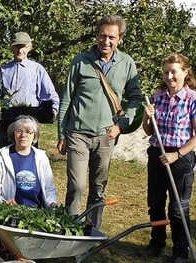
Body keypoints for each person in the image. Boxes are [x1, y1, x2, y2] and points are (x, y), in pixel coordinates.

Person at [57, 15, 142, 229]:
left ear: (119, 39)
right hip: (77, 132)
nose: (106, 41)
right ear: (96, 36)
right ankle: (71, 230)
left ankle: (91, 231)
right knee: (76, 185)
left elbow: (135, 99)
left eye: (112, 37)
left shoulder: (127, 64)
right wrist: (61, 133)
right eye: (102, 36)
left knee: (98, 187)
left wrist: (121, 125)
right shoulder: (80, 61)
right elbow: (67, 97)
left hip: (106, 135)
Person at [139, 53, 196, 263]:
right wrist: (146, 116)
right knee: (156, 203)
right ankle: (157, 243)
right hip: (157, 152)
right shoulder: (157, 97)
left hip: (181, 157)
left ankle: (180, 252)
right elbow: (149, 130)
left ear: (185, 73)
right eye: (166, 72)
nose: (169, 76)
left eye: (174, 72)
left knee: (178, 208)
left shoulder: (194, 99)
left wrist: (176, 154)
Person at [0, 32, 59, 149]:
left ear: (29, 47)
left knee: (27, 157)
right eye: (17, 46)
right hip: (6, 121)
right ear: (12, 47)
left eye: (23, 47)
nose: (20, 50)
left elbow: (50, 94)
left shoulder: (37, 69)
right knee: (5, 157)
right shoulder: (3, 70)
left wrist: (53, 110)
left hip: (29, 121)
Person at [0, 115, 58, 208]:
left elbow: (49, 188)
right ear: (13, 134)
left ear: (35, 136)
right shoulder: (1, 157)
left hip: (37, 213)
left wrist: (52, 203)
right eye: (19, 131)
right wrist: (3, 204)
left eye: (28, 132)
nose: (23, 135)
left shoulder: (42, 158)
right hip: (9, 212)